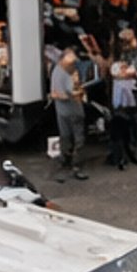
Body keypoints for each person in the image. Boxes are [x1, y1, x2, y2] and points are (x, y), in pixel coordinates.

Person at [50, 42, 89, 177]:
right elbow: (72, 92)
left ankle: (66, 161)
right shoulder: (68, 72)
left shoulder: (57, 70)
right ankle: (75, 165)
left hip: (63, 110)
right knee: (77, 138)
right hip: (72, 109)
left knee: (66, 136)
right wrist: (75, 93)